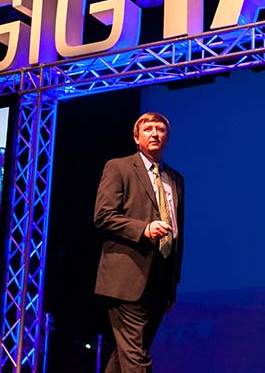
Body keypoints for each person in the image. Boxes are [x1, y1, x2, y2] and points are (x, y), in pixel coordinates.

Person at [94, 111, 185, 373]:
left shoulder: (176, 179)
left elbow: (179, 233)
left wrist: (172, 286)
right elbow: (103, 216)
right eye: (148, 129)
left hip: (160, 281)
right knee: (137, 358)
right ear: (136, 137)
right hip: (126, 279)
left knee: (127, 355)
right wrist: (144, 228)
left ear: (167, 137)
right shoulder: (119, 167)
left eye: (160, 129)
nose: (155, 134)